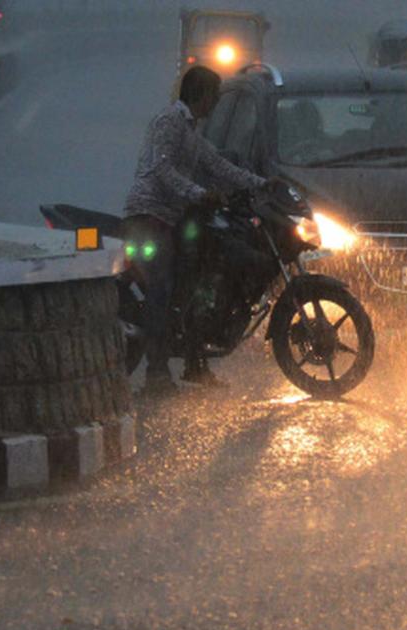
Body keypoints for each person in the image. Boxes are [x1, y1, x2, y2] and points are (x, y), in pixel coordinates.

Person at [123, 65, 266, 396]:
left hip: (173, 218)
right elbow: (161, 170)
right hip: (148, 215)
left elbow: (217, 166)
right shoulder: (168, 121)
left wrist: (264, 185)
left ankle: (195, 363)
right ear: (200, 95)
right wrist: (198, 194)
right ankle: (156, 374)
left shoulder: (191, 132)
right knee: (163, 287)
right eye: (213, 96)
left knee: (199, 282)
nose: (216, 103)